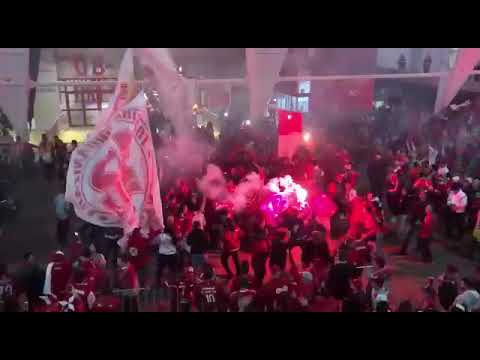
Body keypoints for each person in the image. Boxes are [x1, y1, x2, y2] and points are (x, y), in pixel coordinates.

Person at [153, 218, 178, 283]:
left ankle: (159, 283)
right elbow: (177, 244)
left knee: (160, 271)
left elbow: (153, 242)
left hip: (163, 256)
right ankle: (173, 283)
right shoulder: (173, 236)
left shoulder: (162, 236)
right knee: (173, 271)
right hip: (172, 255)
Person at [54, 183, 72, 247]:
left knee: (59, 226)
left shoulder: (58, 196)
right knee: (65, 228)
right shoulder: (66, 199)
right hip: (64, 216)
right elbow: (67, 209)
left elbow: (54, 203)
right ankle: (63, 241)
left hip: (58, 215)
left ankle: (59, 237)